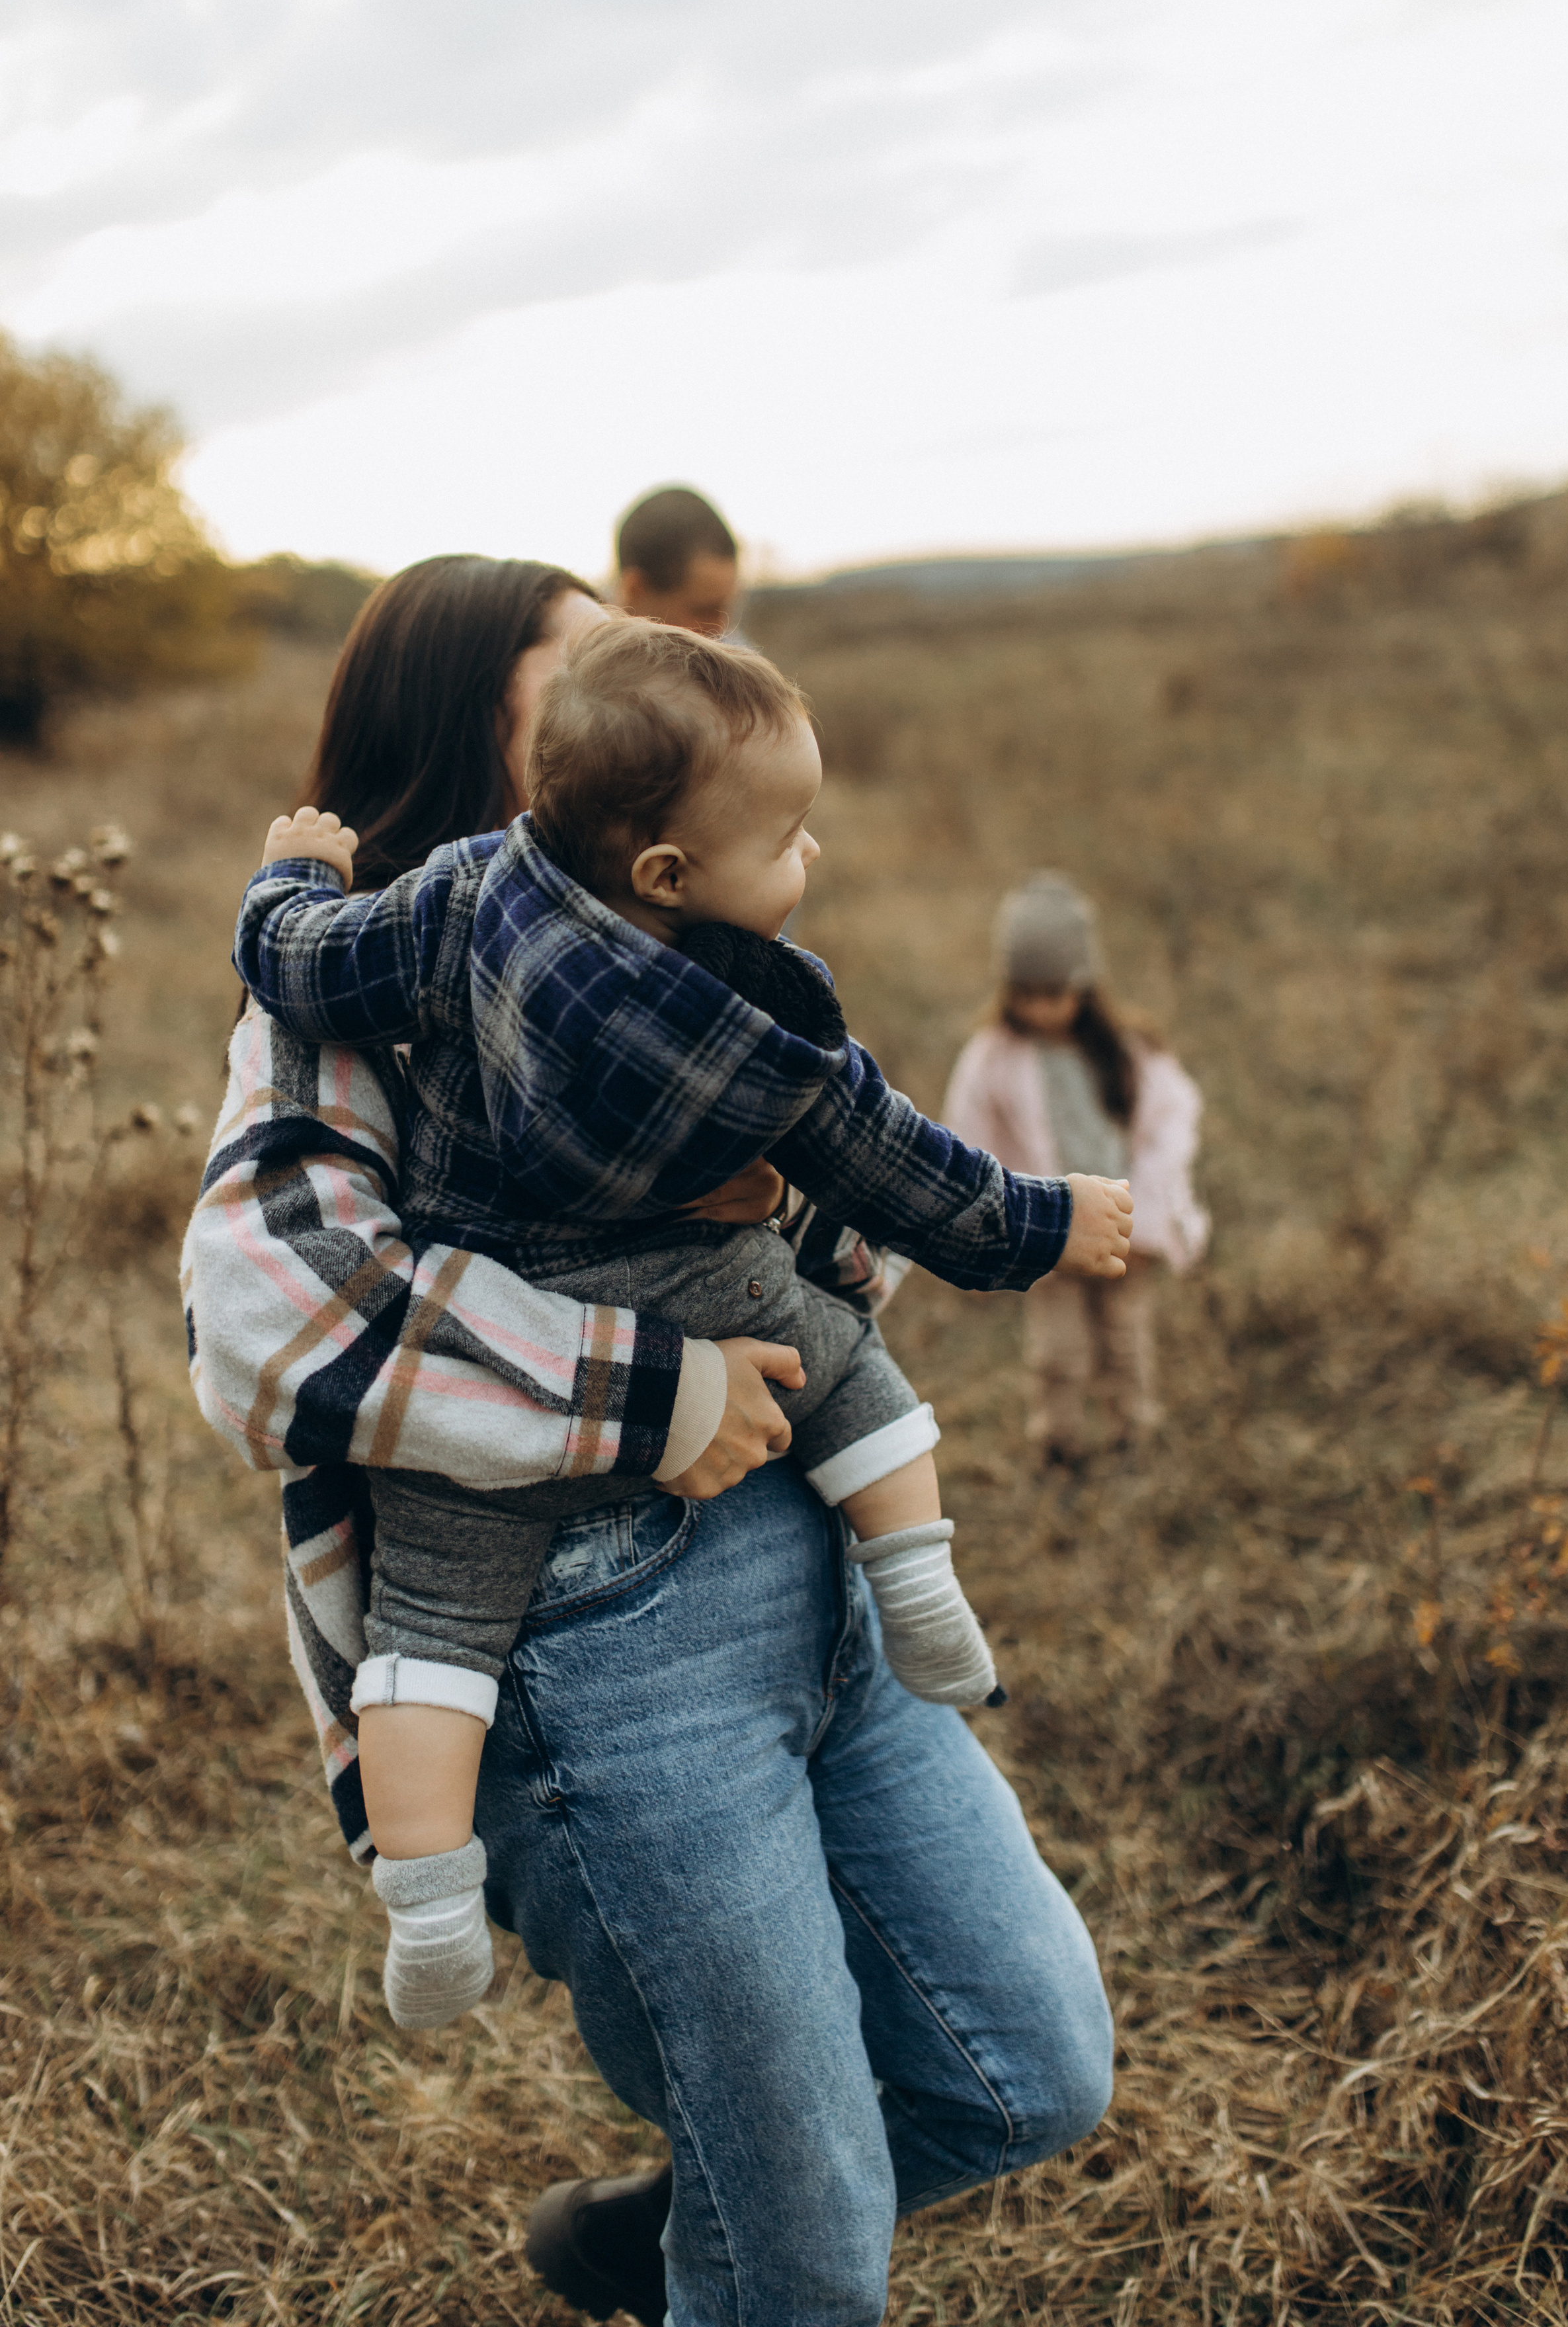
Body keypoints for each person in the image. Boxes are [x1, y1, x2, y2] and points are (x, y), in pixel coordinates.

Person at [184, 560, 1116, 2327]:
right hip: (595, 1647)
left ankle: (695, 2243)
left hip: (817, 1584)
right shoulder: (362, 990)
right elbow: (271, 1312)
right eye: (584, 663)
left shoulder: (699, 967)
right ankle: (755, 2244)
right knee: (811, 2249)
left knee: (1030, 2065)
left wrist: (792, 1211)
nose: (641, 688)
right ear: (486, 726)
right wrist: (644, 1386)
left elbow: (854, 1245)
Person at [944, 872, 1210, 1466]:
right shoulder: (991, 1059)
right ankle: (1059, 1446)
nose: (1039, 1008)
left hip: (1124, 1235)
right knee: (1058, 1352)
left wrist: (1149, 1222)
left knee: (1124, 1342)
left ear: (1085, 985)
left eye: (1054, 991)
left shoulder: (1127, 1050)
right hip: (1051, 1237)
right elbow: (968, 1144)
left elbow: (1170, 1129)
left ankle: (1131, 1438)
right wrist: (992, 1230)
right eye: (1025, 991)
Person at [615, 484, 741, 637]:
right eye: (703, 612)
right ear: (636, 594)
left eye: (725, 609)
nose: (721, 630)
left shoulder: (736, 651)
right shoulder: (584, 657)